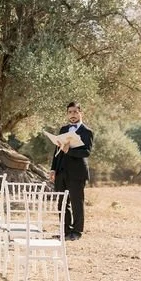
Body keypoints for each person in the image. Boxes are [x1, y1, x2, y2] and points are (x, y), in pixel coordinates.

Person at [48, 101, 93, 241]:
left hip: (77, 173)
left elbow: (86, 152)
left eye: (75, 112)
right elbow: (57, 151)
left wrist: (70, 151)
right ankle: (65, 231)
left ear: (80, 113)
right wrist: (53, 169)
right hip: (61, 172)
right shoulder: (63, 129)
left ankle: (77, 232)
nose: (72, 115)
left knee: (76, 203)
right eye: (70, 112)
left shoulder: (87, 132)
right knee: (62, 203)